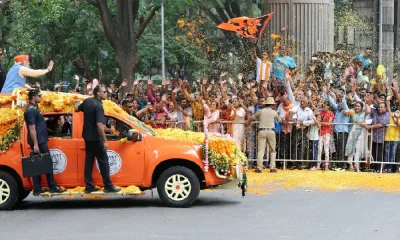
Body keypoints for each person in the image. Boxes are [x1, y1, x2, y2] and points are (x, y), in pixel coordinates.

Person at [74, 85, 120, 194]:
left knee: (89, 161)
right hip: (96, 138)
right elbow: (100, 125)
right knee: (103, 161)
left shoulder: (86, 101)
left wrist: (76, 101)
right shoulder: (99, 106)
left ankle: (89, 186)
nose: (106, 94)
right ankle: (108, 185)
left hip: (87, 137)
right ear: (98, 93)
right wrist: (105, 140)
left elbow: (76, 109)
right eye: (104, 92)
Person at [24, 88, 65, 196]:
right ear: (33, 97)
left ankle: (39, 188)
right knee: (45, 162)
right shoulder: (31, 110)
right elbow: (32, 128)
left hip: (40, 140)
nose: (41, 97)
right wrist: (36, 144)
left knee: (38, 163)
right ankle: (51, 186)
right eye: (39, 96)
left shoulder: (34, 108)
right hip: (39, 141)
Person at [245, 97, 282, 173]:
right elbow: (280, 120)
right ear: (272, 105)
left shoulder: (260, 111)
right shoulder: (274, 112)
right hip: (271, 131)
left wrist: (247, 122)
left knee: (261, 150)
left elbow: (252, 118)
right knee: (273, 150)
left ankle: (259, 167)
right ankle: (272, 167)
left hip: (261, 131)